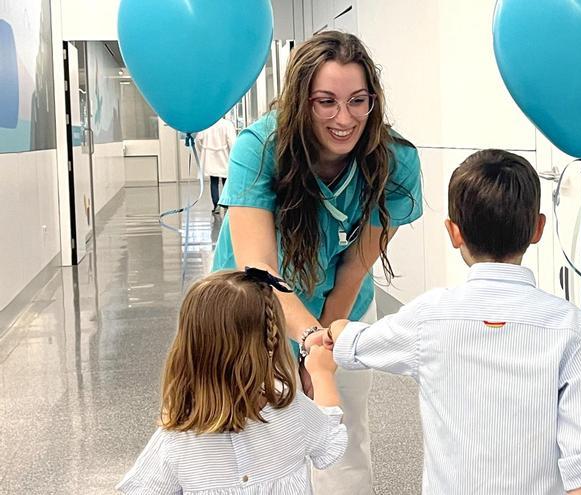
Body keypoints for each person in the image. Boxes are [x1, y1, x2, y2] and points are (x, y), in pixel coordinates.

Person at [310, 150, 581, 494]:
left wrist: (336, 330)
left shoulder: (429, 317)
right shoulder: (568, 325)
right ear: (537, 229)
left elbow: (358, 346)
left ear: (454, 233)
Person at [211, 30, 422, 493]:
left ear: (373, 100)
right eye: (325, 101)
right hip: (251, 307)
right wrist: (308, 339)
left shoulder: (395, 161)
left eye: (357, 101)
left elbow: (353, 268)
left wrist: (321, 350)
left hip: (340, 309)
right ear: (301, 100)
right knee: (250, 440)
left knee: (339, 435)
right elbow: (259, 267)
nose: (343, 118)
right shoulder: (261, 148)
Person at [117, 268, 347, 494]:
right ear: (271, 344)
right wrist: (322, 374)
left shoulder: (179, 435)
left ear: (188, 350)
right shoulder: (289, 410)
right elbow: (329, 442)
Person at [196, 116, 237, 214]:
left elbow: (198, 139)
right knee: (226, 182)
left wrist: (203, 151)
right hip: (224, 157)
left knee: (213, 182)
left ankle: (216, 206)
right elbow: (232, 142)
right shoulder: (227, 124)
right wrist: (233, 156)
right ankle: (226, 203)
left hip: (210, 157)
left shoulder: (207, 124)